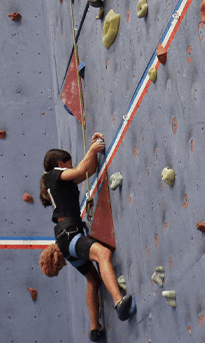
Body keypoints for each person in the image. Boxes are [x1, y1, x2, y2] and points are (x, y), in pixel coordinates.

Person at [39, 134, 135, 341]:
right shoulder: (53, 175)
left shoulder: (59, 182)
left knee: (93, 280)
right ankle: (119, 302)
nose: (71, 166)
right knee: (103, 254)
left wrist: (93, 149)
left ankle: (94, 327)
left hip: (67, 237)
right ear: (60, 164)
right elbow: (79, 170)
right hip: (69, 234)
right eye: (69, 163)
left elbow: (88, 171)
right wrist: (92, 150)